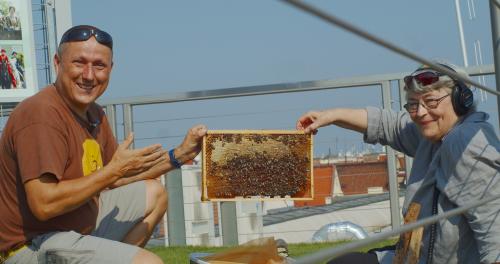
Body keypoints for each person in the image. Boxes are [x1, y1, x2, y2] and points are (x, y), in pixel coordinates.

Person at [0, 25, 207, 263]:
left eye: (99, 65)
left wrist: (179, 155)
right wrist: (113, 171)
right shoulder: (41, 114)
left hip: (74, 227)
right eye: (79, 62)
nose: (89, 75)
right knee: (148, 263)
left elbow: (117, 177)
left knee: (154, 193)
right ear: (58, 63)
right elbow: (44, 203)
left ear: (111, 69)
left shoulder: (94, 114)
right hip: (33, 246)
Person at [296, 61, 500, 264]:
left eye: (431, 101)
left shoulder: (465, 143)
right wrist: (331, 116)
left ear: (460, 100)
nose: (420, 113)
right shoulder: (435, 133)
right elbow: (389, 125)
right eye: (413, 104)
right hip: (414, 254)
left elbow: (494, 231)